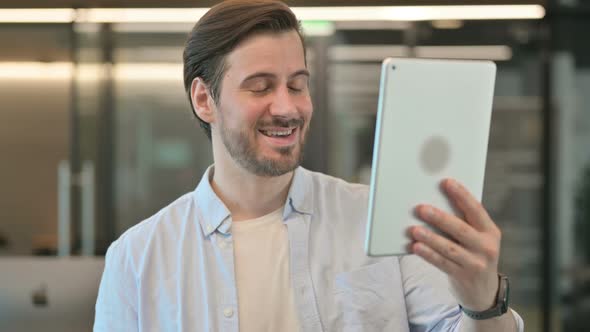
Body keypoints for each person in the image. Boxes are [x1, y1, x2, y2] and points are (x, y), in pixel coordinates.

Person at [94, 1, 524, 331]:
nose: (287, 107)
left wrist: (482, 300)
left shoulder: (383, 223)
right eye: (260, 87)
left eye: (297, 85)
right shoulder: (137, 259)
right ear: (205, 99)